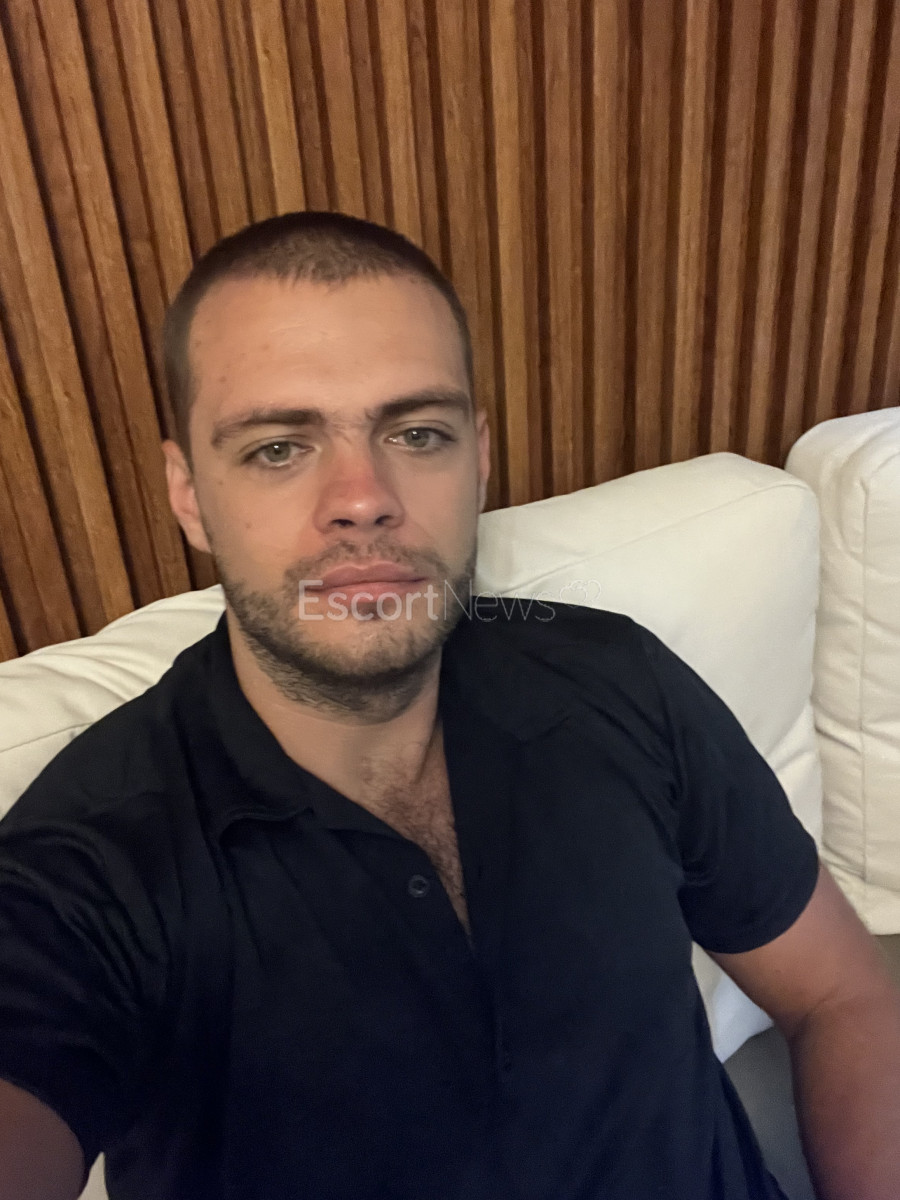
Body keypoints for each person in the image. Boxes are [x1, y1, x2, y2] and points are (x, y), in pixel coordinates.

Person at [0, 211, 898, 1200]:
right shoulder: (86, 864)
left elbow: (839, 992)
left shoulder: (617, 680)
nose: (362, 496)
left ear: (479, 458)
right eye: (277, 447)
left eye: (417, 433)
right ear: (187, 493)